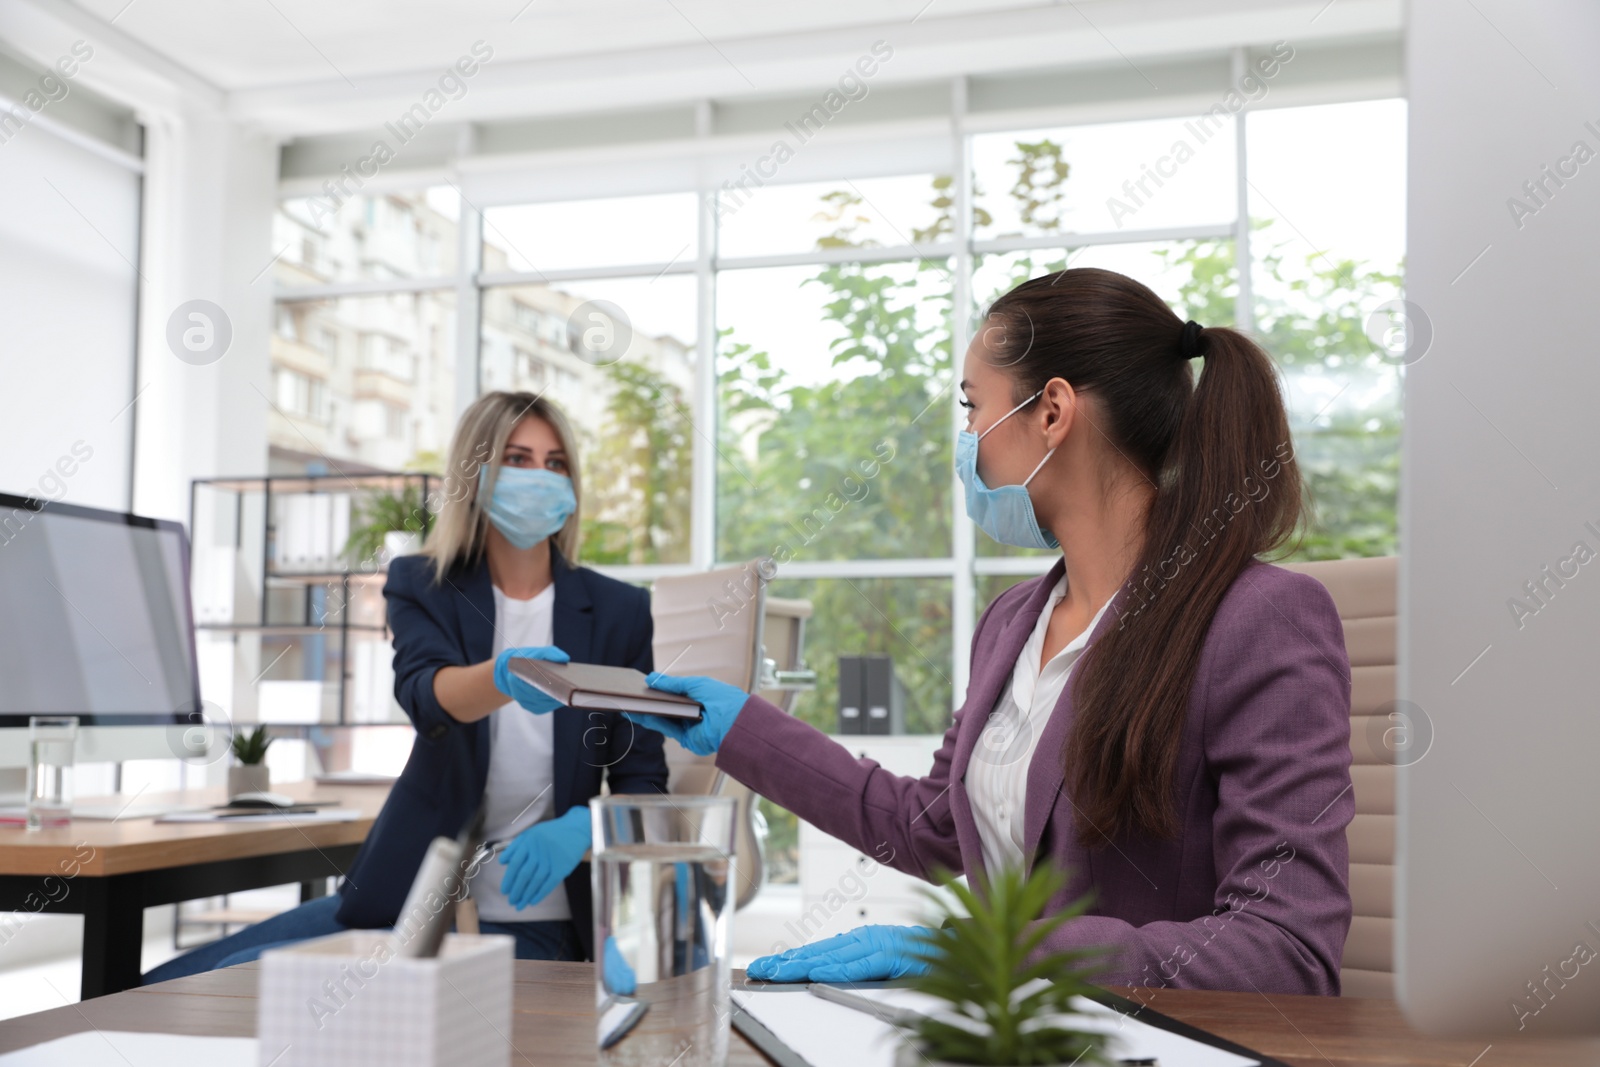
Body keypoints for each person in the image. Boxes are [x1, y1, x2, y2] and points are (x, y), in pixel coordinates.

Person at [626, 268, 1355, 996]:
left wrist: (995, 953)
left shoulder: (1259, 617)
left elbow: (1286, 948)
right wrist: (739, 728)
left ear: (1053, 411)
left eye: (974, 407)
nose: (968, 438)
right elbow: (931, 826)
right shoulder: (1012, 621)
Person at [144, 392, 667, 982]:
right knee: (168, 985)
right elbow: (425, 694)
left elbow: (643, 780)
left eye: (555, 464)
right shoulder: (424, 584)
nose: (539, 478)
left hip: (542, 922)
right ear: (476, 472)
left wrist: (584, 829)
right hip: (410, 902)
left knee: (241, 989)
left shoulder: (621, 611)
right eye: (517, 459)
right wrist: (505, 675)